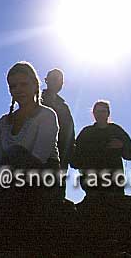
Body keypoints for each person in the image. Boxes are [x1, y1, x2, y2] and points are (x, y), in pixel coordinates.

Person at [0, 61, 60, 174]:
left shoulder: (47, 116)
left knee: (15, 152)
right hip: (7, 179)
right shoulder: (2, 123)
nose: (19, 90)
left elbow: (39, 158)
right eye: (13, 86)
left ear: (35, 85)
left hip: (42, 180)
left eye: (24, 84)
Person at [71, 101, 131, 196]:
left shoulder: (116, 130)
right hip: (92, 185)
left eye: (103, 111)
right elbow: (74, 158)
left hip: (114, 185)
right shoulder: (86, 132)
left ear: (108, 113)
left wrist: (122, 145)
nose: (100, 114)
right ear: (93, 114)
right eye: (97, 112)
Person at [42, 69, 75, 197]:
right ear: (47, 81)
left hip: (61, 160)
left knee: (57, 196)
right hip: (38, 159)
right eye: (54, 79)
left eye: (60, 80)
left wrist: (70, 155)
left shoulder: (64, 106)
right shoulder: (37, 100)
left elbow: (70, 133)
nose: (58, 82)